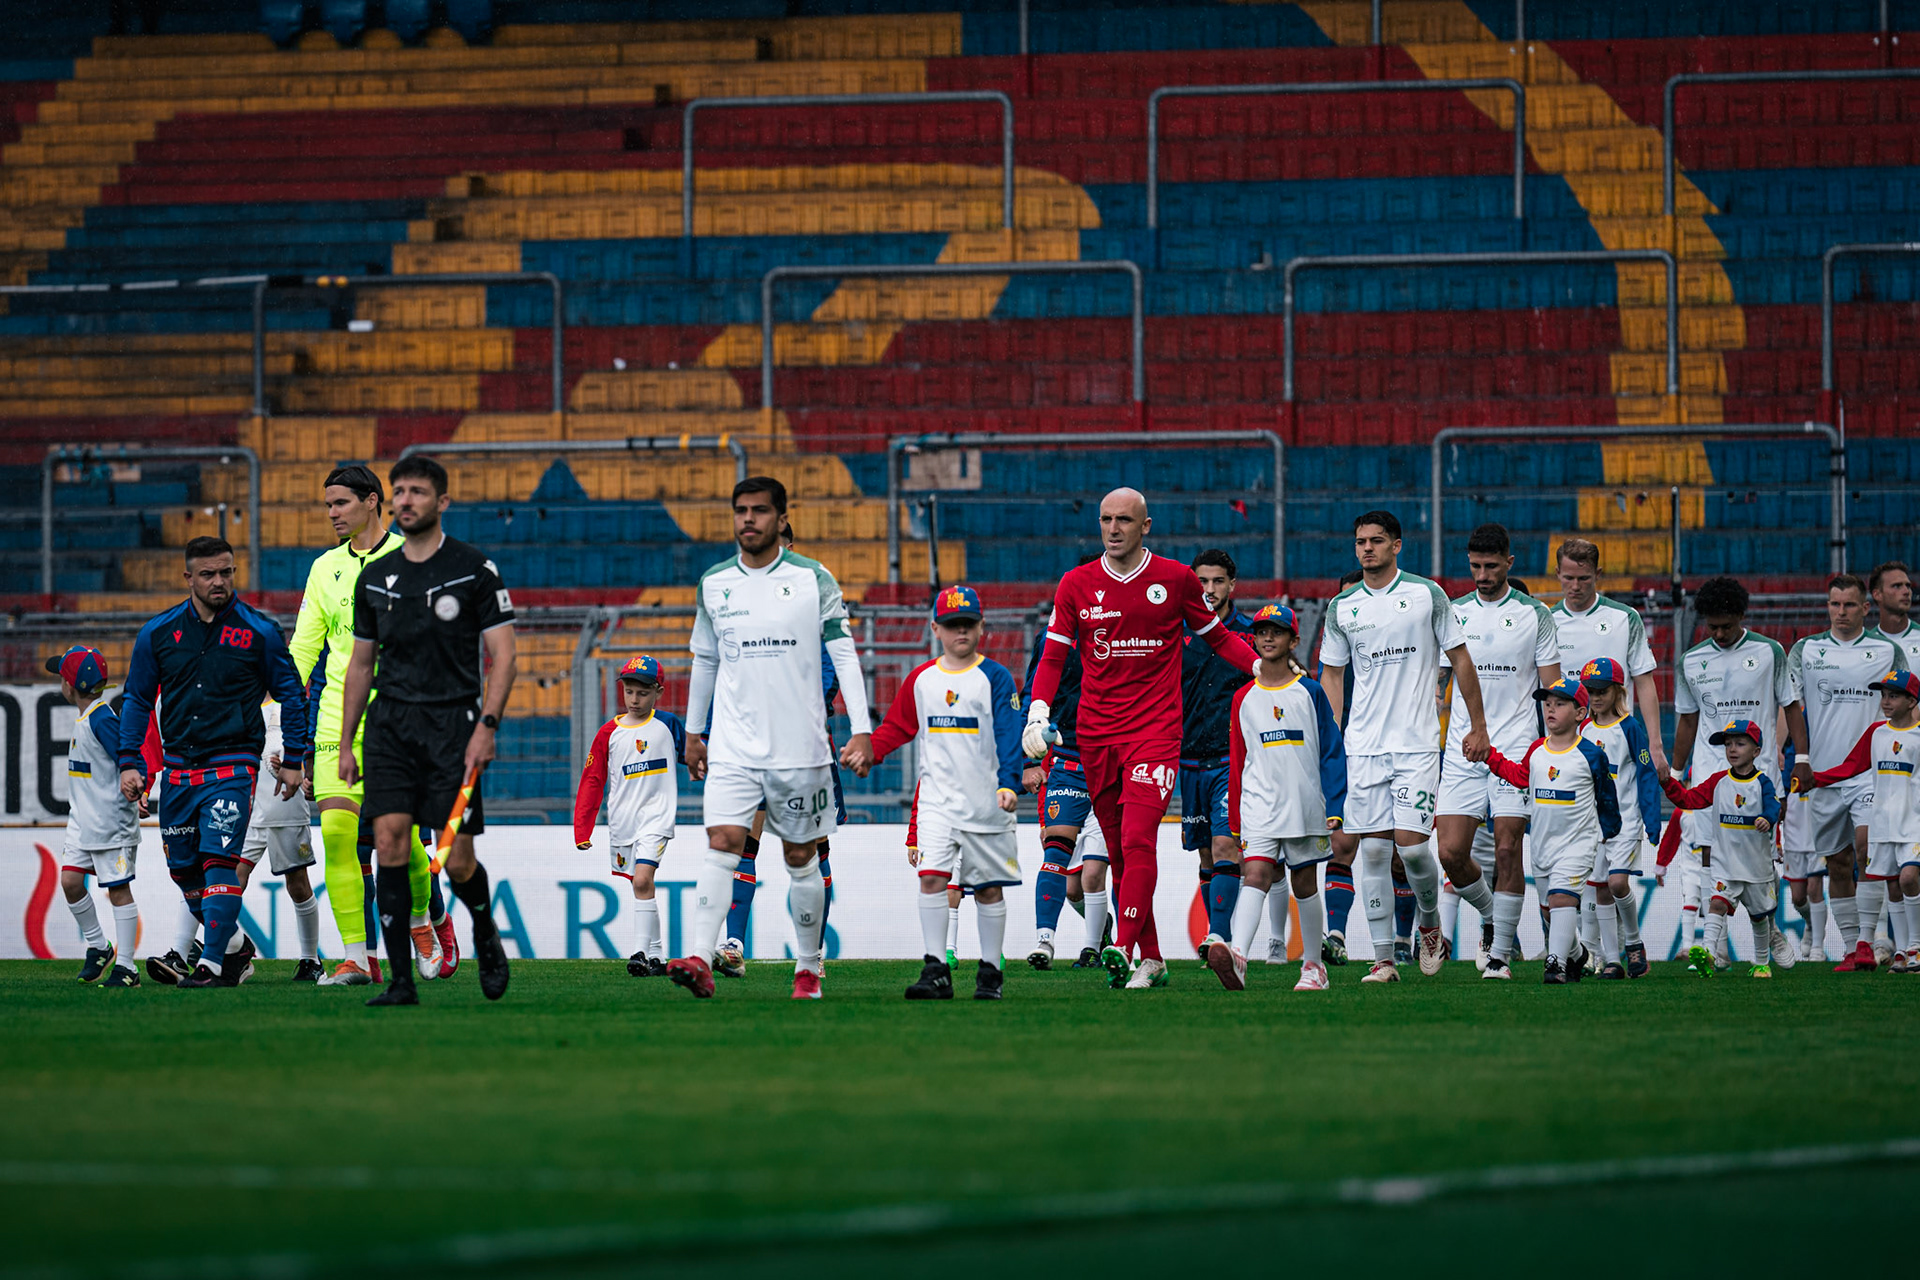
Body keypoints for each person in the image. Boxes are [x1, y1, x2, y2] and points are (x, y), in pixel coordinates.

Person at [1022, 488, 1264, 991]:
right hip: (1094, 735)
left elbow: (1218, 638)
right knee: (1118, 848)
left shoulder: (1174, 579)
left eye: (1124, 520)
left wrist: (1262, 667)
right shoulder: (1076, 584)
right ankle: (1152, 957)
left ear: (1145, 526)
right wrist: (1037, 712)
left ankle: (1123, 947)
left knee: (1137, 839)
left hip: (1154, 733)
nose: (1113, 529)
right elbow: (1051, 657)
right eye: (1106, 519)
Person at [670, 476, 874, 1001]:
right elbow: (706, 660)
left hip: (801, 748)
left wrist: (862, 728)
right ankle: (700, 956)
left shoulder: (813, 579)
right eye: (741, 510)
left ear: (782, 519)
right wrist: (694, 733)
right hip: (735, 748)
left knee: (801, 856)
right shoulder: (714, 583)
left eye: (760, 511)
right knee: (723, 844)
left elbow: (845, 654)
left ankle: (808, 967)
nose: (748, 520)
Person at [339, 456, 517, 1006]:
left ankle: (485, 934)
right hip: (389, 725)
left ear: (442, 502)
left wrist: (487, 726)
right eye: (399, 491)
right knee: (389, 841)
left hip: (453, 728)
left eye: (418, 491)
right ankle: (399, 981)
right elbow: (360, 665)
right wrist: (346, 742)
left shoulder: (473, 569)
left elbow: (504, 657)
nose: (406, 500)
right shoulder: (374, 578)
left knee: (457, 858)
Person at [117, 536, 309, 987]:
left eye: (226, 572)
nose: (219, 581)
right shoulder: (158, 634)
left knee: (219, 862)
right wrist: (131, 762)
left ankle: (211, 964)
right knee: (185, 875)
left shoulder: (259, 631)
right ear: (188, 578)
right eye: (208, 574)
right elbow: (137, 701)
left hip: (233, 764)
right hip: (179, 770)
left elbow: (292, 696)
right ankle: (237, 948)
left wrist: (296, 758)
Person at [288, 464, 449, 988]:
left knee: (395, 838)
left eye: (341, 503)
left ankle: (421, 923)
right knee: (336, 833)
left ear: (373, 501)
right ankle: (357, 957)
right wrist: (281, 721)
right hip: (336, 714)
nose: (332, 513)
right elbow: (304, 651)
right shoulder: (323, 569)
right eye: (328, 505)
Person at [1318, 510, 1491, 982]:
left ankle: (1430, 923)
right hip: (1362, 747)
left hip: (1415, 746)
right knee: (1372, 853)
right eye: (1360, 542)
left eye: (1376, 541)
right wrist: (1330, 740)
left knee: (1413, 850)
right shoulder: (1342, 606)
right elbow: (1332, 675)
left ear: (1397, 545)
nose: (1367, 549)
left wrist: (1478, 725)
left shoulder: (1425, 595)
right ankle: (1383, 960)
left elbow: (1460, 659)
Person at [870, 586, 1026, 1000]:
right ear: (936, 627)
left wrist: (1010, 782)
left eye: (968, 624)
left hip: (987, 800)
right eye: (953, 624)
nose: (961, 631)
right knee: (932, 879)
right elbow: (897, 727)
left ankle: (990, 971)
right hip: (936, 800)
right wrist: (868, 751)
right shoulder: (922, 679)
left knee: (989, 887)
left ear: (981, 627)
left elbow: (1011, 735)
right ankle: (935, 968)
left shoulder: (995, 677)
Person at [1434, 524, 1560, 977]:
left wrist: (1554, 749)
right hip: (1463, 751)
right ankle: (1491, 916)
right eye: (1474, 567)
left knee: (1508, 849)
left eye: (1490, 566)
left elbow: (1552, 688)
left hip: (1516, 754)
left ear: (1510, 563)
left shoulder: (1535, 615)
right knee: (1450, 853)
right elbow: (1438, 681)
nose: (1482, 575)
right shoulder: (1454, 611)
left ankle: (1500, 956)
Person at [723, 522, 844, 978]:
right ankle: (733, 945)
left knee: (811, 852)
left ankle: (810, 956)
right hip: (756, 744)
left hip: (802, 743)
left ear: (789, 547)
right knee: (743, 844)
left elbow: (830, 667)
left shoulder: (815, 598)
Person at [1671, 576, 1807, 968]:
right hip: (1712, 777)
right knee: (1712, 858)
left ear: (1741, 617)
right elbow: (1687, 720)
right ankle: (1718, 948)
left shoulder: (1769, 652)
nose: (1719, 633)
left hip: (1760, 778)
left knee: (1759, 867)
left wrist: (1802, 758)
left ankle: (1772, 932)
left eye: (1726, 626)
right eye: (1712, 626)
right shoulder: (1691, 661)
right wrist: (1678, 772)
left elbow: (1791, 706)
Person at [1784, 574, 1908, 969]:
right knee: (1837, 863)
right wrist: (1800, 760)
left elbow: (1908, 704)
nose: (1841, 612)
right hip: (1821, 774)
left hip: (1870, 774)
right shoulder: (1806, 650)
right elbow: (1791, 705)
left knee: (1868, 849)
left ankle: (1873, 941)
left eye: (1850, 605)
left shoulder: (1886, 650)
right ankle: (1854, 948)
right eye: (1835, 605)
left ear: (1866, 608)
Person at [1219, 605, 1345, 991]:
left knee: (1304, 882)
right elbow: (1238, 760)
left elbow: (1331, 751)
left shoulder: (1310, 691)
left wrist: (1335, 806)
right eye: (1261, 631)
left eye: (1276, 632)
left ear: (1294, 640)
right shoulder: (1242, 697)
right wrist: (1237, 820)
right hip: (1258, 805)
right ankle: (1238, 956)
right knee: (1254, 874)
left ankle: (1313, 967)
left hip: (1304, 804)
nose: (1267, 638)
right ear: (1253, 639)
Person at [1480, 677, 1620, 983]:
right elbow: (1519, 776)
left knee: (1561, 900)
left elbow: (1607, 797)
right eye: (1547, 703)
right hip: (1542, 846)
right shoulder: (1537, 750)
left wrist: (1610, 831)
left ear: (1580, 713)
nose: (1550, 709)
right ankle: (1577, 955)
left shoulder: (1592, 755)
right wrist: (1491, 757)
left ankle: (1554, 964)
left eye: (1560, 703)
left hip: (1578, 845)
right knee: (1550, 910)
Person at [1798, 668, 1920, 972]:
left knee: (1908, 879)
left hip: (1913, 823)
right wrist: (1817, 779)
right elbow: (1852, 766)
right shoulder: (1877, 733)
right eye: (1883, 695)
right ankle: (1903, 953)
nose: (1886, 701)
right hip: (1884, 823)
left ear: (1911, 700)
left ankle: (1916, 944)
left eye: (1893, 696)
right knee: (1893, 885)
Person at [574, 655, 688, 976]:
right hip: (623, 822)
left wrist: (703, 765)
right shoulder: (609, 732)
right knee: (640, 886)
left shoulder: (667, 725)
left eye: (642, 693)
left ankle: (638, 952)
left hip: (657, 818)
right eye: (629, 692)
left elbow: (694, 753)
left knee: (642, 879)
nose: (634, 699)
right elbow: (593, 779)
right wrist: (583, 829)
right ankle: (657, 956)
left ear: (658, 692)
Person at [1023, 553, 1108, 970]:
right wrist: (1029, 759)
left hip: (1114, 762)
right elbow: (1032, 695)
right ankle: (1044, 941)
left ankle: (1094, 947)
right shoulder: (1050, 640)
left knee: (1093, 873)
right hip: (1069, 759)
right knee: (1058, 859)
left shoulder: (1122, 636)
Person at [50, 646, 144, 987]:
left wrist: (139, 784)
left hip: (110, 821)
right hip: (83, 820)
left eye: (62, 675)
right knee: (71, 882)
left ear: (70, 685)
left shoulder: (101, 718)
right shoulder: (88, 716)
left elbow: (128, 753)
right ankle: (97, 946)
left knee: (118, 890)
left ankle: (129, 966)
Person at [1659, 720, 1783, 978]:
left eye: (1740, 743)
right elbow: (1688, 800)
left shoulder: (1763, 783)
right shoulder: (1718, 781)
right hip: (1725, 864)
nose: (1732, 749)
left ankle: (1762, 963)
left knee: (1759, 918)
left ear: (1756, 751)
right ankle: (1708, 954)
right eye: (1728, 745)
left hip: (1756, 866)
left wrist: (1768, 818)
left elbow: (1774, 806)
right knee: (1716, 905)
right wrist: (1668, 782)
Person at [1180, 550, 1259, 946]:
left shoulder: (1249, 636)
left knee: (1226, 844)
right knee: (1206, 855)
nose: (1209, 590)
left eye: (1216, 582)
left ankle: (1220, 937)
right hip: (1189, 759)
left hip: (1234, 760)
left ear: (1232, 585)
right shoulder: (1175, 634)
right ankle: (1218, 939)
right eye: (1201, 583)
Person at [1577, 659, 1666, 978]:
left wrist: (1652, 819)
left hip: (1625, 823)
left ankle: (1634, 943)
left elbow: (1645, 774)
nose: (1596, 697)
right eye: (1590, 691)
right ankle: (1612, 961)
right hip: (1593, 826)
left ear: (1618, 691)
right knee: (1600, 888)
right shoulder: (1583, 730)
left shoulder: (1630, 728)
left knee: (1617, 883)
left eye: (1602, 690)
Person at [234, 694, 324, 981]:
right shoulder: (239, 699)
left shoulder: (292, 701)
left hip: (284, 806)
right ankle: (233, 949)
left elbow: (305, 742)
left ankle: (311, 959)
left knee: (297, 884)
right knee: (232, 880)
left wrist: (296, 765)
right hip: (249, 808)